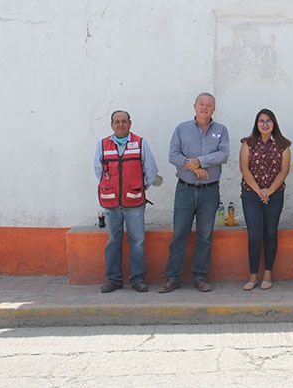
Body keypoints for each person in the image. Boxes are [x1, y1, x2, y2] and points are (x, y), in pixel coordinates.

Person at [158, 93, 230, 293]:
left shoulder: (221, 130)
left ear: (214, 109)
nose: (205, 108)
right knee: (179, 234)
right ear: (194, 106)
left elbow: (224, 154)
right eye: (201, 104)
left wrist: (200, 161)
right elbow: (173, 155)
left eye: (209, 105)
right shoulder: (182, 129)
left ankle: (200, 277)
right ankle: (172, 277)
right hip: (185, 190)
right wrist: (192, 167)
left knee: (205, 236)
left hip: (209, 192)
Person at [94, 110, 158, 293]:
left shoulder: (140, 143)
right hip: (111, 204)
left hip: (134, 204)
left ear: (130, 123)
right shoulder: (103, 144)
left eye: (124, 121)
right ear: (111, 124)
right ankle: (113, 280)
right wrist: (112, 188)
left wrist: (138, 188)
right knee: (114, 242)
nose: (120, 124)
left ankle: (137, 279)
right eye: (117, 121)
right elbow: (98, 171)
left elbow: (151, 171)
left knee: (137, 242)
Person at [239, 109, 292, 291]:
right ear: (256, 123)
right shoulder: (248, 143)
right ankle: (253, 276)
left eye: (268, 121)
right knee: (254, 234)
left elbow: (285, 170)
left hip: (274, 194)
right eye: (261, 121)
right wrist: (259, 191)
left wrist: (269, 190)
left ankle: (268, 274)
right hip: (251, 194)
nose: (265, 124)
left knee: (270, 233)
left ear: (274, 123)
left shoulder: (283, 144)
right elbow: (244, 169)